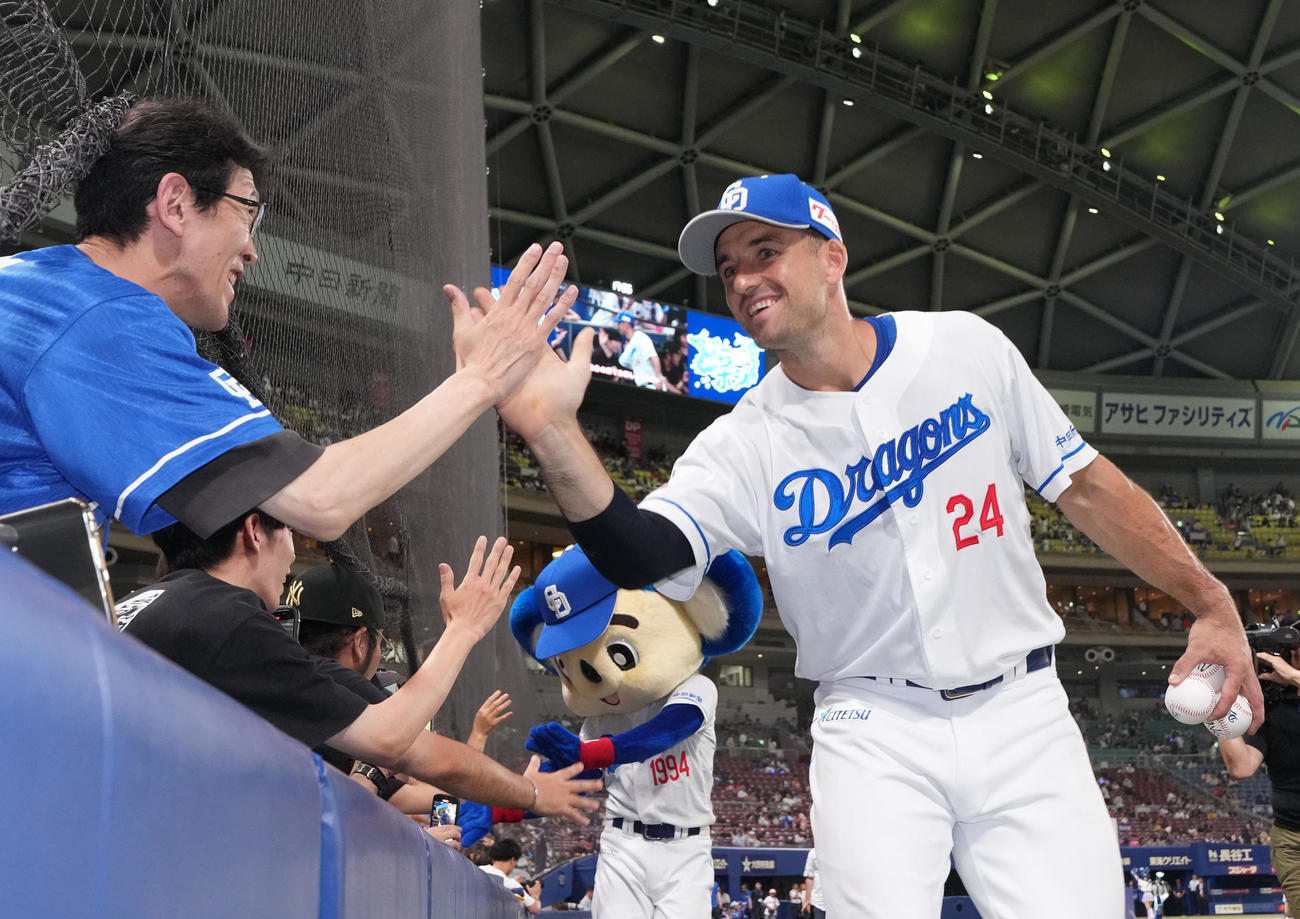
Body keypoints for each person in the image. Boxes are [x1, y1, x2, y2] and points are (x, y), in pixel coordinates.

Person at [489, 173, 1263, 919]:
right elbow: (641, 554)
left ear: (832, 256)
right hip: (872, 725)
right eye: (728, 268)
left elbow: (1089, 486)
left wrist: (1213, 601)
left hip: (1024, 708)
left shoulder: (965, 350)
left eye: (765, 251)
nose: (743, 279)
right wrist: (554, 433)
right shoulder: (743, 441)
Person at [0, 97, 574, 540]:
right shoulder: (96, 317)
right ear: (175, 204)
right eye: (247, 210)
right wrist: (482, 377)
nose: (251, 249)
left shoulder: (44, 291)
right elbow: (321, 499)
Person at [113, 509, 600, 823]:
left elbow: (410, 787)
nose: (291, 554)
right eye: (289, 531)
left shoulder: (147, 603)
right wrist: (464, 630)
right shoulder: (227, 618)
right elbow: (405, 747)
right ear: (255, 532)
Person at [1218, 643, 1300, 912]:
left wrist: (1294, 677)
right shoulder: (1271, 706)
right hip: (1292, 837)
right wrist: (1218, 711)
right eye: (1295, 648)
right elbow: (1241, 767)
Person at [479, 837, 542, 915]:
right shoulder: (512, 885)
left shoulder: (479, 870)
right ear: (512, 860)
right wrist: (535, 896)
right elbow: (535, 909)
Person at [612, 310, 664, 390]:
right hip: (642, 386)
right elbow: (622, 362)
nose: (618, 326)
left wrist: (658, 378)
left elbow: (654, 357)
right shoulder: (630, 344)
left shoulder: (640, 337)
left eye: (619, 323)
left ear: (626, 325)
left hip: (653, 385)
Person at [801, 846, 824, 918]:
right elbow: (809, 877)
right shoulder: (813, 852)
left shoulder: (842, 851)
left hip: (839, 901)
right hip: (819, 902)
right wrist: (807, 900)